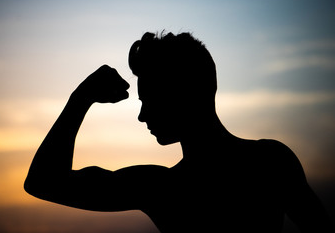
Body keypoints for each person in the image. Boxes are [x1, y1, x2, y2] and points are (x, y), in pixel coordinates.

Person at [24, 32, 333, 232]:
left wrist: (82, 97)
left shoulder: (163, 188)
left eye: (150, 100)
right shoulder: (270, 160)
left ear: (186, 93)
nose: (143, 115)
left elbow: (43, 182)